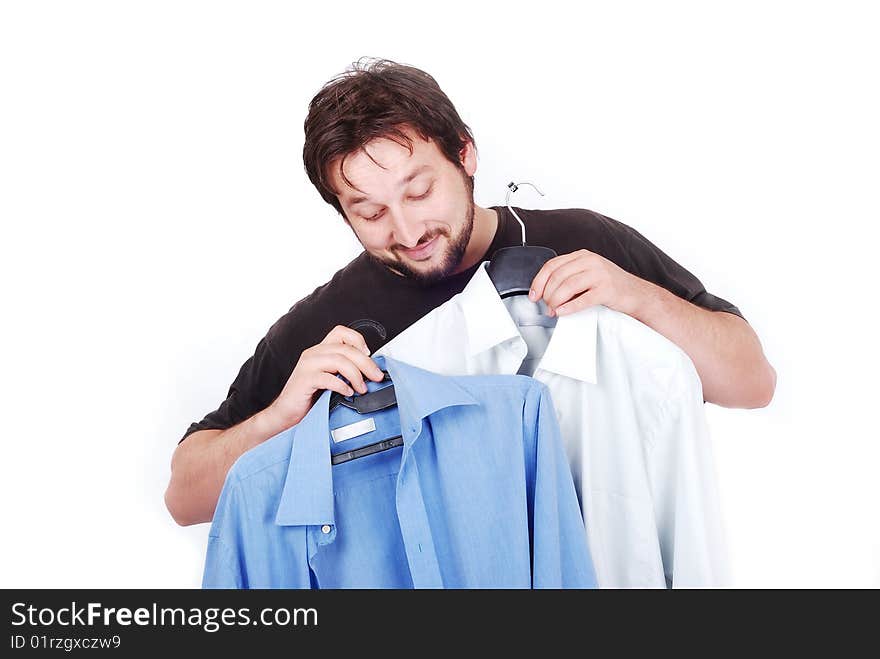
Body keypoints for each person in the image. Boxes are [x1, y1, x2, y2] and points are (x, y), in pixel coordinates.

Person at [165, 58, 776, 526]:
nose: (407, 231)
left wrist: (637, 297)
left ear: (465, 153)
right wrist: (281, 417)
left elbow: (752, 383)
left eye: (418, 190)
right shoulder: (331, 322)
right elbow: (185, 498)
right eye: (369, 211)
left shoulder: (583, 241)